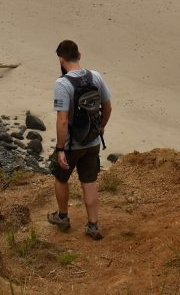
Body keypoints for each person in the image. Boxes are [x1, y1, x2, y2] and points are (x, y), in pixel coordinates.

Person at [47, 39, 113, 240]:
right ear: (79, 55)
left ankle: (63, 217)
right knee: (89, 182)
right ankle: (93, 225)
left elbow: (62, 120)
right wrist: (100, 127)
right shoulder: (96, 77)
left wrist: (60, 149)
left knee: (61, 178)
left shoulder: (63, 83)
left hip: (72, 144)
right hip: (92, 141)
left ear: (60, 58)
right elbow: (108, 107)